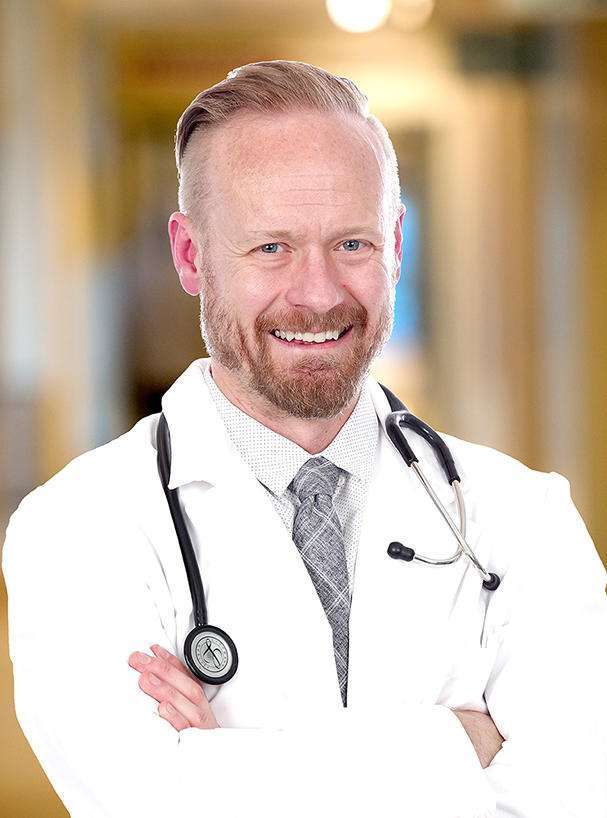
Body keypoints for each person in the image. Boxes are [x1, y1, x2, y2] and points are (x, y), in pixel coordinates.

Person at [2, 60, 607, 818]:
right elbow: (146, 800)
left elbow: (573, 795)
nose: (318, 294)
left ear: (393, 243)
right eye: (271, 249)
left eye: (351, 244)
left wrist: (220, 762)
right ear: (192, 257)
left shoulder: (525, 516)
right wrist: (461, 747)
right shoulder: (74, 527)